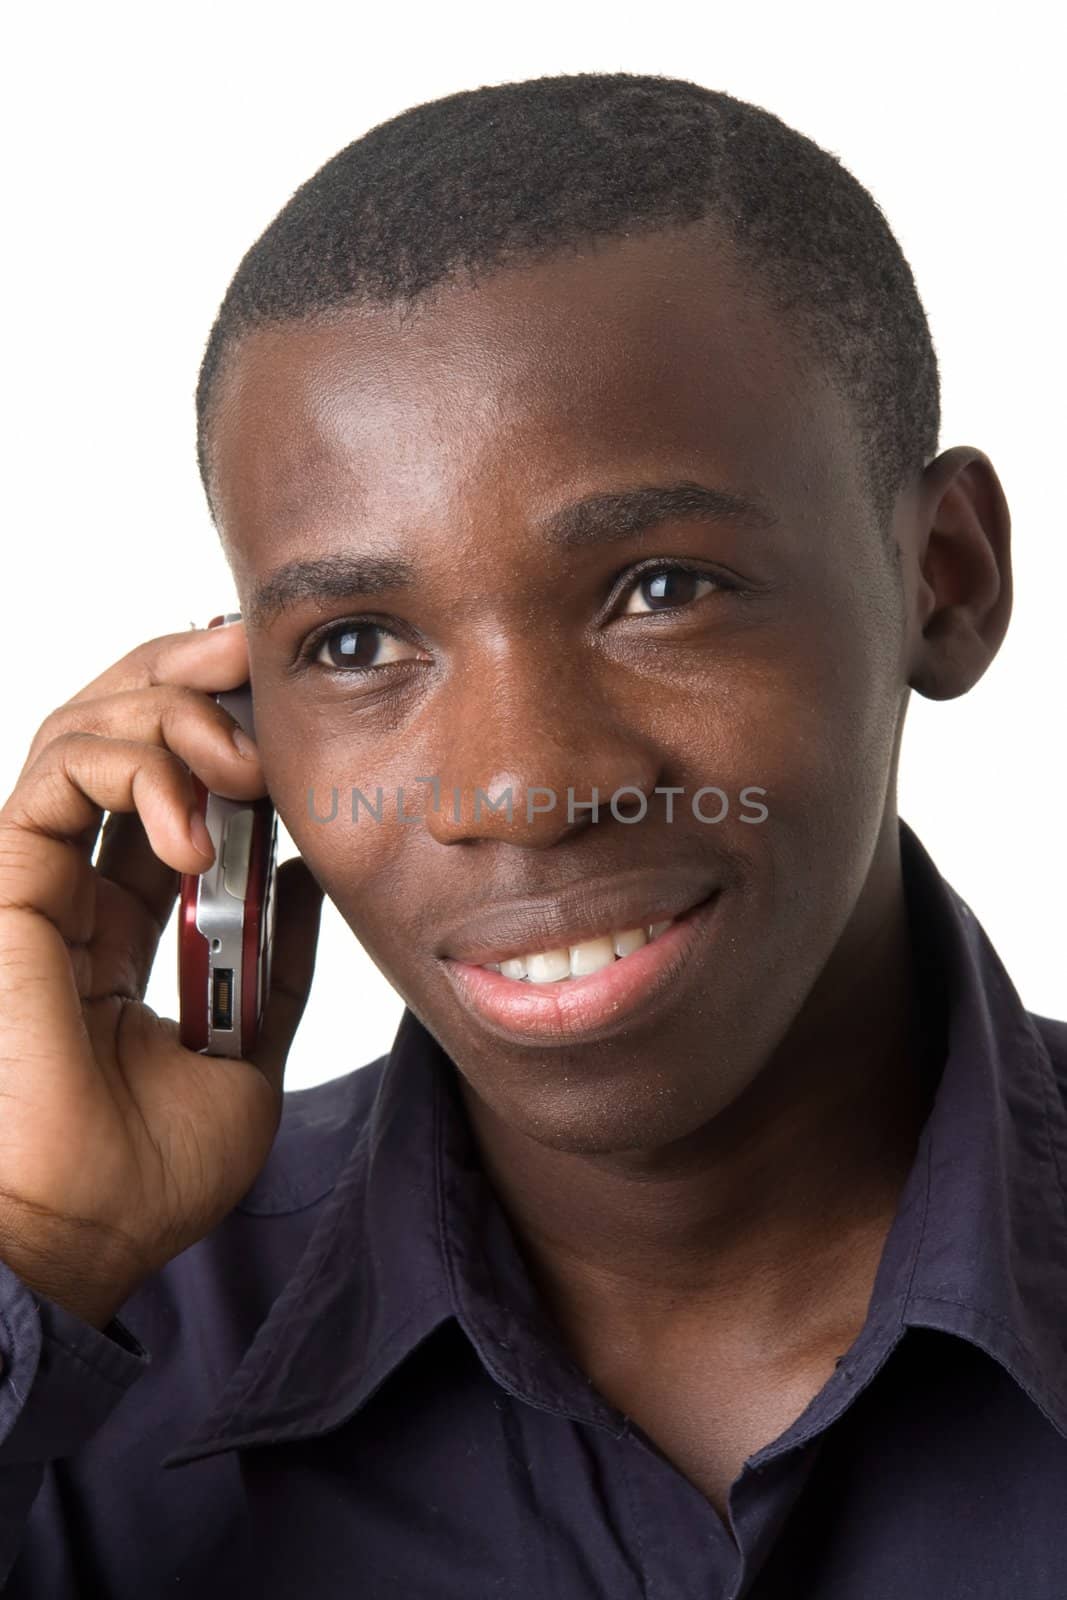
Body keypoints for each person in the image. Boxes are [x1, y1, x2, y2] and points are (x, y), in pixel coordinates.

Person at [0, 68, 1061, 1599]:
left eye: (661, 590)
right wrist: (32, 1248)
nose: (519, 789)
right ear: (236, 731)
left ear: (943, 580)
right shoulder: (107, 1339)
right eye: (359, 644)